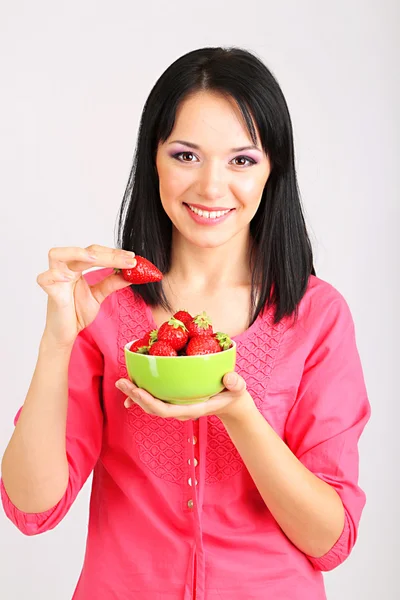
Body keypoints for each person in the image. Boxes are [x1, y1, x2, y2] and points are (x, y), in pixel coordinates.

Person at [0, 47, 370, 600]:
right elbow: (32, 507)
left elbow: (329, 540)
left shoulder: (317, 316)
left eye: (241, 160)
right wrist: (58, 341)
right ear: (153, 158)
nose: (211, 188)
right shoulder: (103, 303)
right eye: (186, 155)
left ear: (274, 169)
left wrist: (240, 414)